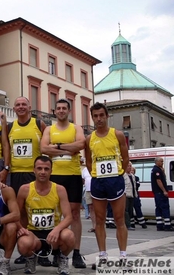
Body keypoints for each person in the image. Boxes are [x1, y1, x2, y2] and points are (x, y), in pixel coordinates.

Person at [40, 98, 86, 268]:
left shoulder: (76, 128)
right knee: (54, 214)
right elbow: (44, 149)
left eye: (64, 108)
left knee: (74, 215)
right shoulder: (49, 129)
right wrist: (69, 148)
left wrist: (57, 146)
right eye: (58, 108)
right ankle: (53, 251)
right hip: (54, 177)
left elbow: (81, 144)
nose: (61, 111)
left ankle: (76, 253)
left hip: (72, 175)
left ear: (69, 111)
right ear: (54, 111)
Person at [84, 102, 129, 269]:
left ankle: (123, 256)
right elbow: (89, 162)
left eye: (101, 115)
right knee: (100, 221)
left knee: (119, 219)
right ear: (92, 118)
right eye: (95, 116)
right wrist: (97, 175)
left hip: (115, 180)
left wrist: (118, 174)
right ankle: (102, 255)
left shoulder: (116, 134)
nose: (98, 119)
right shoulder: (89, 139)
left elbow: (125, 158)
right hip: (98, 182)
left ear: (107, 116)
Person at [16, 156, 75, 275]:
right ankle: (31, 259)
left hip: (54, 233)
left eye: (46, 169)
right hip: (33, 232)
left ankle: (62, 258)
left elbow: (68, 217)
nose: (42, 172)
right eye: (39, 168)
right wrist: (21, 228)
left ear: (51, 171)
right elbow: (15, 214)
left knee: (69, 236)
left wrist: (57, 230)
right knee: (23, 244)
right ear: (34, 170)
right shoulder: (25, 189)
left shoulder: (59, 189)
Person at [7, 96, 47, 265]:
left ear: (30, 107)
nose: (21, 107)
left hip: (35, 174)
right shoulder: (10, 127)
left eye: (24, 104)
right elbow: (7, 151)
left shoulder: (39, 124)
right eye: (18, 105)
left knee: (40, 210)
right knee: (21, 213)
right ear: (14, 108)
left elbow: (46, 147)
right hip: (16, 174)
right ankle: (25, 250)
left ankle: (44, 250)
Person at [151, 157, 174, 231]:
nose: (162, 163)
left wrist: (163, 171)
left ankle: (159, 225)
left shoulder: (156, 170)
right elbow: (159, 181)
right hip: (160, 192)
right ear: (157, 162)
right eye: (161, 161)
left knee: (158, 208)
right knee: (165, 207)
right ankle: (167, 225)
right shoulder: (157, 170)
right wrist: (164, 190)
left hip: (157, 192)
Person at [82, 162, 95, 233]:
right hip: (88, 190)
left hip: (96, 189)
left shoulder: (96, 166)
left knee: (99, 208)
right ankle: (94, 226)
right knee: (91, 208)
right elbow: (83, 180)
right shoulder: (84, 169)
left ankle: (100, 225)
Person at [123, 163, 136, 231]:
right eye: (128, 166)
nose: (129, 167)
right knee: (126, 211)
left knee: (130, 210)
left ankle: (130, 224)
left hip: (132, 195)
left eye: (130, 166)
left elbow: (134, 187)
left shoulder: (132, 176)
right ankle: (127, 225)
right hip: (126, 195)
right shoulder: (123, 175)